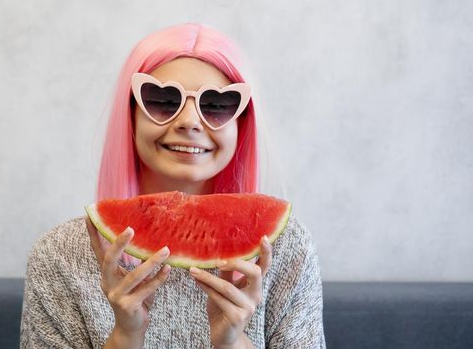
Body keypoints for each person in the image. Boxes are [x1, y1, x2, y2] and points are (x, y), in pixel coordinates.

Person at [19, 23, 326, 348]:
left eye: (216, 105)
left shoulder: (287, 250)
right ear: (131, 115)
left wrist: (233, 343)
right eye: (162, 99)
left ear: (241, 123)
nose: (189, 121)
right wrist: (125, 338)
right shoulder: (58, 256)